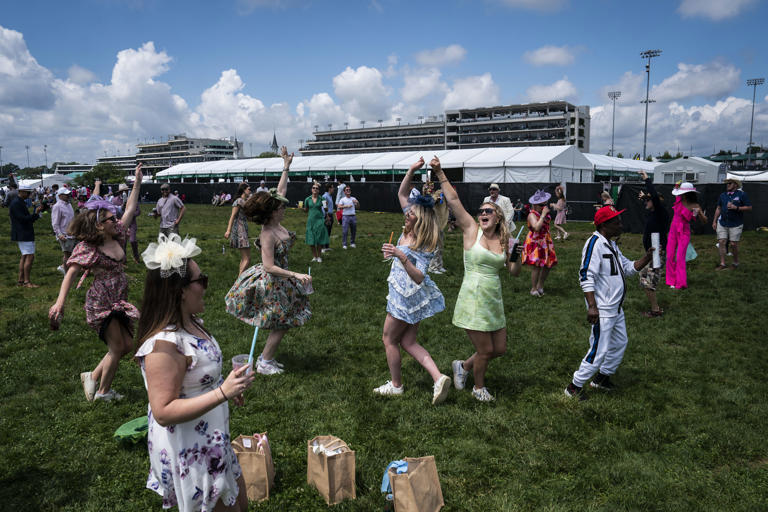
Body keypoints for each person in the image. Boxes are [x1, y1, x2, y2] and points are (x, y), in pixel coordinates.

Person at [135, 238, 254, 512]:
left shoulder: (191, 323)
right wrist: (221, 392)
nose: (206, 286)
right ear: (180, 292)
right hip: (191, 452)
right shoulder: (164, 345)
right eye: (202, 280)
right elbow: (163, 410)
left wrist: (225, 389)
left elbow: (197, 379)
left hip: (212, 438)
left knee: (240, 505)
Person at [48, 165, 143, 401]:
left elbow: (130, 209)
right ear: (100, 224)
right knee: (118, 347)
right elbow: (70, 273)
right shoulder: (89, 247)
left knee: (127, 345)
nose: (116, 219)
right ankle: (103, 392)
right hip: (101, 302)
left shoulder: (117, 233)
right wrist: (60, 303)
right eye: (111, 218)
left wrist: (137, 182)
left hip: (118, 298)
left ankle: (92, 375)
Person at [432, 156, 523, 402]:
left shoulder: (504, 241)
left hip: (493, 298)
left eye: (488, 211)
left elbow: (514, 273)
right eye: (481, 210)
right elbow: (453, 200)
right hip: (473, 296)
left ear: (498, 217)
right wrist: (440, 173)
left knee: (499, 349)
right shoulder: (472, 231)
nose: (483, 213)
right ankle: (478, 388)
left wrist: (517, 256)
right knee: (486, 350)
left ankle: (463, 367)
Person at [225, 147, 312, 375]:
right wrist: (296, 275)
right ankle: (264, 362)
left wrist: (286, 166)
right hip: (273, 280)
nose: (285, 208)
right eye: (281, 207)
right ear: (273, 212)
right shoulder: (268, 234)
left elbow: (280, 191)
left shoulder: (276, 222)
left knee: (283, 322)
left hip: (281, 278)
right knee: (282, 322)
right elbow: (268, 266)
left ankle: (267, 359)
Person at [374, 157, 451, 404]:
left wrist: (400, 256)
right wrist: (411, 170)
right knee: (408, 341)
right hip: (409, 296)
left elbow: (419, 277)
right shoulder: (411, 230)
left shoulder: (425, 242)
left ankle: (396, 385)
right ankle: (439, 378)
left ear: (420, 218)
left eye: (411, 214)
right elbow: (402, 192)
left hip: (406, 297)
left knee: (389, 339)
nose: (406, 215)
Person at [564, 206, 653, 400]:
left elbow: (628, 268)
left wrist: (648, 257)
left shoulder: (611, 244)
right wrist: (592, 306)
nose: (620, 224)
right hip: (602, 308)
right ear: (604, 225)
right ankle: (574, 386)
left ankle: (602, 379)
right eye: (616, 221)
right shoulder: (594, 244)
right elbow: (586, 275)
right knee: (599, 349)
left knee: (620, 342)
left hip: (615, 308)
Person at [637, 170, 669, 317]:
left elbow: (655, 197)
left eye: (648, 201)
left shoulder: (660, 212)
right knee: (643, 276)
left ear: (655, 203)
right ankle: (655, 307)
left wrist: (646, 179)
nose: (646, 202)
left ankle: (655, 310)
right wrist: (646, 197)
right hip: (652, 251)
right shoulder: (653, 213)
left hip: (657, 251)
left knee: (648, 282)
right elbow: (652, 199)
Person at [666, 182, 707, 290]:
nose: (681, 194)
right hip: (673, 230)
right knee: (670, 256)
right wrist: (677, 185)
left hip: (683, 232)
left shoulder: (695, 205)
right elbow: (674, 190)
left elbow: (704, 221)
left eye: (683, 192)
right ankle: (671, 281)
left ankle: (681, 283)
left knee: (680, 257)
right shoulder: (678, 199)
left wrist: (700, 213)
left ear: (688, 193)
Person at [522, 189, 557, 297]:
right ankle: (533, 289)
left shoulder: (542, 212)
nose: (545, 207)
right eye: (542, 205)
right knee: (537, 266)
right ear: (535, 205)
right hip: (535, 242)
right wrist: (543, 215)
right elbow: (536, 228)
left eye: (545, 204)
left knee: (548, 264)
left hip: (545, 240)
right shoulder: (532, 215)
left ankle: (540, 286)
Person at [9, 183, 44, 287]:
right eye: (27, 192)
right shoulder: (16, 203)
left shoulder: (20, 202)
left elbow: (27, 219)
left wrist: (36, 214)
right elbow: (24, 219)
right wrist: (36, 213)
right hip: (23, 233)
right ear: (21, 192)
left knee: (24, 256)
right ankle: (27, 281)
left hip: (23, 232)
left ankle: (21, 280)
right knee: (30, 257)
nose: (29, 194)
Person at [713, 178, 752, 270]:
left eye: (730, 183)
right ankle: (722, 263)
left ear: (735, 185)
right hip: (722, 223)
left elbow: (749, 207)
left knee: (733, 244)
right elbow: (718, 208)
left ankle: (735, 263)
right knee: (721, 242)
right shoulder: (722, 195)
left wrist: (736, 208)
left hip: (736, 224)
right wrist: (714, 221)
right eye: (727, 184)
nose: (727, 185)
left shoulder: (742, 194)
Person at [224, 182, 252, 275]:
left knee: (245, 258)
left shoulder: (244, 201)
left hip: (243, 229)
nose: (250, 190)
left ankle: (239, 280)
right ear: (244, 190)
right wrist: (228, 230)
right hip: (240, 230)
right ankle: (239, 282)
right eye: (249, 189)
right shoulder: (239, 201)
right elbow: (232, 216)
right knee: (247, 259)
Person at [51, 187, 76, 274]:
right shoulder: (57, 206)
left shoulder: (69, 205)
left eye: (68, 194)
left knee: (72, 253)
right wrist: (59, 234)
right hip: (64, 234)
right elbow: (55, 223)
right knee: (67, 254)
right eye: (66, 194)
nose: (68, 196)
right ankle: (66, 272)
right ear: (60, 195)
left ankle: (68, 270)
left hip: (72, 233)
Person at [303, 181, 330, 262]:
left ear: (318, 190)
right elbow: (306, 210)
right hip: (310, 221)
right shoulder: (307, 199)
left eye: (316, 188)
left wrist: (327, 216)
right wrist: (301, 209)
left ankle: (319, 257)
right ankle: (314, 256)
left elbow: (326, 209)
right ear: (311, 189)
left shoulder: (322, 198)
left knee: (319, 240)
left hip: (320, 221)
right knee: (311, 240)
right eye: (313, 188)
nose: (315, 189)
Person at [321, 183, 335, 253]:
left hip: (330, 215)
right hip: (327, 216)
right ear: (329, 188)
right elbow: (324, 207)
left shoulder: (330, 196)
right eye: (332, 187)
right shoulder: (325, 196)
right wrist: (326, 216)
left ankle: (327, 247)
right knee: (325, 232)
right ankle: (323, 248)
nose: (333, 189)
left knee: (328, 232)